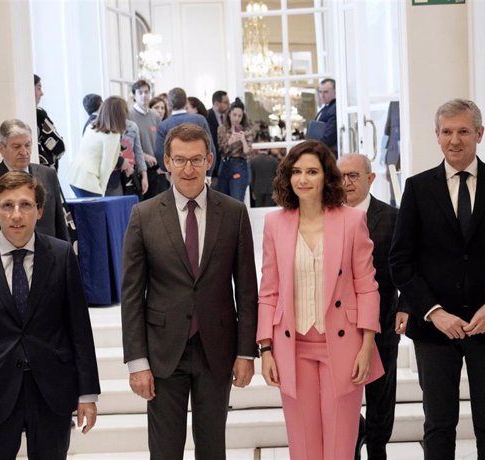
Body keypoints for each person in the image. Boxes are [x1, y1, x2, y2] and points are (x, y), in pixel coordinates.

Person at [389, 99, 485, 459]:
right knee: (439, 427)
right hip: (435, 330)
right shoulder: (417, 187)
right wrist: (433, 312)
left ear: (479, 134)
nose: (454, 140)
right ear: (437, 136)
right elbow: (400, 260)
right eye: (446, 132)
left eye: (462, 131)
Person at [121, 123, 258, 459]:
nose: (188, 168)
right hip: (163, 351)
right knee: (165, 449)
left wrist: (245, 352)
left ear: (209, 159)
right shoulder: (144, 215)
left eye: (196, 159)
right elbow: (131, 294)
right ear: (166, 161)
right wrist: (137, 361)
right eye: (180, 160)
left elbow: (246, 289)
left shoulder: (234, 213)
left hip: (217, 347)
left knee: (213, 446)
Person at [0, 171, 101, 459]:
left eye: (25, 205)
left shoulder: (61, 254)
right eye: (7, 205)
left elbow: (79, 329)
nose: (16, 215)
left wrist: (87, 394)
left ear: (39, 211)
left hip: (51, 389)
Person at [257, 140, 384, 460]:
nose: (303, 179)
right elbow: (268, 290)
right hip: (292, 347)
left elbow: (367, 286)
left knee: (341, 446)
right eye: (296, 172)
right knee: (303, 447)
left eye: (312, 171)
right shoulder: (275, 223)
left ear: (327, 176)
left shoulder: (352, 221)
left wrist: (367, 345)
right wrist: (266, 348)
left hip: (343, 346)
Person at [337, 153, 408, 460]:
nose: (346, 182)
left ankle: (377, 448)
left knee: (380, 397)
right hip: (338, 329)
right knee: (343, 399)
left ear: (370, 178)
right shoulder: (328, 216)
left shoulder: (392, 218)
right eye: (340, 176)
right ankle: (354, 440)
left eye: (353, 175)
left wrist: (406, 307)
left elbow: (410, 267)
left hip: (382, 324)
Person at [0, 119, 69, 243]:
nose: (24, 152)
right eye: (16, 146)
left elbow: (60, 224)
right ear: (1, 148)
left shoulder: (48, 174)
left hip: (48, 256)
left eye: (27, 145)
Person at [66, 96, 130, 197]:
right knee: (96, 211)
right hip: (88, 180)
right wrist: (102, 192)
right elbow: (106, 166)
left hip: (75, 176)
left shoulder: (91, 126)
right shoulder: (112, 134)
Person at [154, 87, 217, 180]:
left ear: (169, 103)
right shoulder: (200, 120)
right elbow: (210, 148)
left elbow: (159, 153)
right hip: (199, 169)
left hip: (175, 171)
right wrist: (208, 173)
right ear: (186, 101)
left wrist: (167, 169)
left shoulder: (163, 125)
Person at [127, 80, 161, 199]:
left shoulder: (155, 116)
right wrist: (144, 156)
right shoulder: (129, 115)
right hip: (137, 170)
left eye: (146, 92)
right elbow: (126, 145)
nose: (144, 95)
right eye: (140, 92)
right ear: (134, 95)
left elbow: (159, 141)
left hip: (154, 169)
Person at [217, 97, 253, 202]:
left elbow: (248, 153)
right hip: (224, 165)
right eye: (234, 115)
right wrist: (230, 141)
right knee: (223, 202)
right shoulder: (222, 129)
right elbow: (221, 150)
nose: (237, 118)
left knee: (236, 201)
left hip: (240, 165)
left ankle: (238, 219)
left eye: (240, 116)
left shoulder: (247, 131)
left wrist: (243, 140)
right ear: (229, 114)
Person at [34, 74, 66, 170]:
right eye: (38, 88)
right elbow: (59, 147)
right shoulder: (39, 114)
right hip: (43, 169)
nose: (42, 93)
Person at [207, 90, 230, 187]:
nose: (229, 105)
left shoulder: (230, 117)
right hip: (215, 166)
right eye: (226, 102)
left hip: (228, 166)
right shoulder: (207, 116)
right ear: (216, 103)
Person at [316, 78, 338, 157]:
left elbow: (329, 137)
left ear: (335, 92)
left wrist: (313, 146)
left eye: (325, 92)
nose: (322, 95)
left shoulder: (334, 109)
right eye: (320, 92)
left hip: (329, 153)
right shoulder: (326, 108)